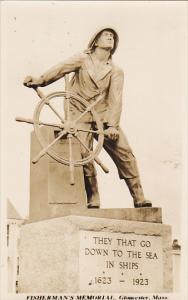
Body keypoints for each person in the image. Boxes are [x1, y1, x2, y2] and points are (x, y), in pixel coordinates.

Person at [24, 27, 152, 209]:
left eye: (112, 37)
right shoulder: (82, 59)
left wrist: (112, 126)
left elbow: (116, 99)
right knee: (84, 154)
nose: (110, 38)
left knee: (125, 153)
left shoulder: (116, 71)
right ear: (95, 41)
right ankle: (93, 196)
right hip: (78, 112)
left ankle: (139, 196)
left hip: (103, 116)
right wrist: (40, 80)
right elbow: (60, 68)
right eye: (105, 35)